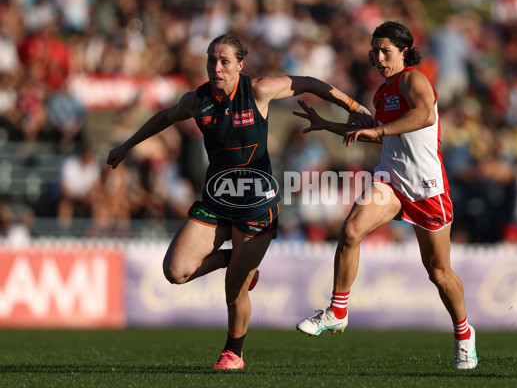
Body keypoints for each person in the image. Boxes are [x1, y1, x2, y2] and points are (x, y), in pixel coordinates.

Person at [106, 33, 369, 370]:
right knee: (175, 271)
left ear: (240, 65)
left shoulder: (258, 89)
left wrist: (353, 107)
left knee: (234, 289)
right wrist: (127, 146)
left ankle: (233, 353)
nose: (216, 67)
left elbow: (308, 83)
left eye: (224, 61)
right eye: (211, 60)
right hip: (216, 202)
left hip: (257, 207)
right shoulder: (196, 100)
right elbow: (165, 117)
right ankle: (238, 259)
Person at [294, 21, 478, 370]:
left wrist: (377, 128)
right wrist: (327, 126)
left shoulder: (413, 79)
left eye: (385, 51)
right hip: (391, 180)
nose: (378, 58)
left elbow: (423, 116)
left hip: (426, 189)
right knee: (350, 231)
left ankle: (464, 334)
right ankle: (337, 310)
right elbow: (383, 137)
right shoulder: (382, 93)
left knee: (438, 272)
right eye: (374, 51)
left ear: (404, 52)